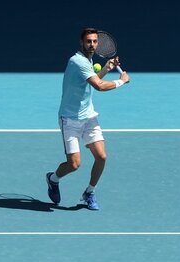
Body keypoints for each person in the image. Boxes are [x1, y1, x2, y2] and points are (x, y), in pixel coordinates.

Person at [46, 28, 129, 210]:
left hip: (88, 116)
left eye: (94, 41)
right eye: (88, 41)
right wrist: (121, 81)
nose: (92, 45)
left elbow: (89, 81)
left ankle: (90, 192)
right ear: (81, 43)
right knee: (74, 164)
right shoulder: (78, 61)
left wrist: (107, 68)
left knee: (101, 156)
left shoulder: (88, 61)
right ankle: (53, 179)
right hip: (70, 119)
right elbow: (98, 86)